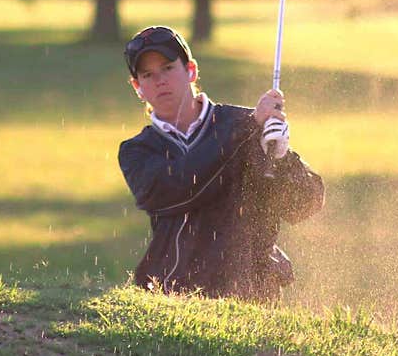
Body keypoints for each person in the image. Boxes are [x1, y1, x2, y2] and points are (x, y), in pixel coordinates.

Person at [117, 25, 325, 301]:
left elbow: (304, 205)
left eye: (168, 68)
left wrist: (282, 160)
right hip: (175, 296)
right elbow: (181, 187)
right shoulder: (138, 151)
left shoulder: (246, 124)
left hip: (252, 295)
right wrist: (246, 132)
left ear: (191, 70)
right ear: (137, 88)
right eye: (147, 75)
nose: (160, 80)